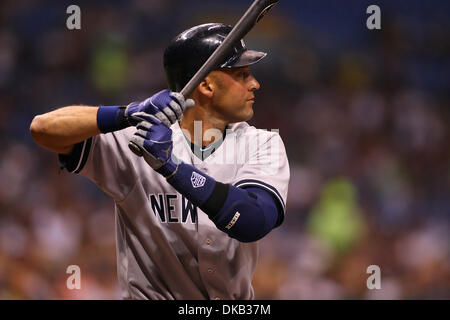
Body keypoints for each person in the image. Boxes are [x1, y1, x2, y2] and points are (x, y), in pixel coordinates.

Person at [30, 23, 290, 300]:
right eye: (242, 74)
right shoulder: (136, 138)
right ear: (206, 85)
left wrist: (173, 168)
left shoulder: (262, 143)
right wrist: (127, 113)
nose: (255, 84)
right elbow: (43, 129)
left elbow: (253, 221)